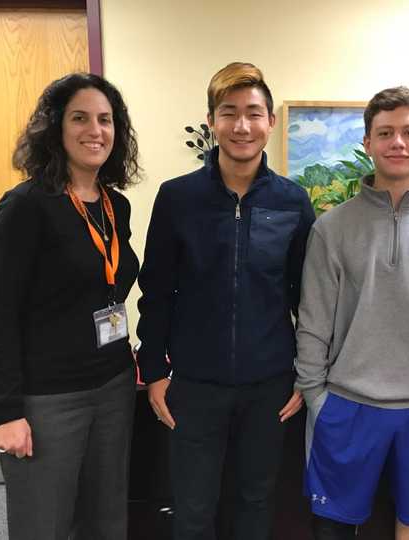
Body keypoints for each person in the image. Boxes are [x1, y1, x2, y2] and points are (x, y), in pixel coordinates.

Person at [137, 62, 315, 540]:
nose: (242, 126)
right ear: (212, 121)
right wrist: (153, 369)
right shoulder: (177, 198)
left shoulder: (293, 201)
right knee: (193, 508)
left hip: (270, 385)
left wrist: (306, 371)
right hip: (195, 384)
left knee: (256, 502)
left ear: (270, 122)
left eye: (254, 113)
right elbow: (156, 290)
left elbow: (308, 297)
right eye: (229, 112)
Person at [295, 86, 409, 540]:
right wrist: (316, 394)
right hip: (346, 404)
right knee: (334, 525)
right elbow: (313, 320)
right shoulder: (332, 228)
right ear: (368, 143)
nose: (398, 142)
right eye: (386, 133)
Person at [0, 72, 141, 539]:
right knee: (44, 525)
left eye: (106, 120)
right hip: (48, 399)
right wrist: (5, 411)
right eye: (80, 118)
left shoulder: (116, 205)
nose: (96, 130)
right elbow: (1, 315)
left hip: (113, 386)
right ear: (55, 128)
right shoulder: (26, 207)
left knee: (106, 520)